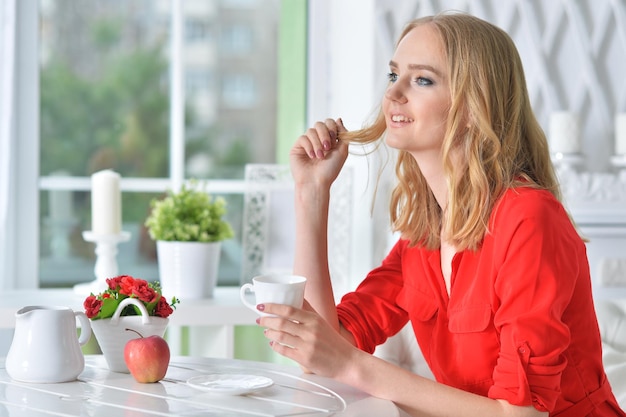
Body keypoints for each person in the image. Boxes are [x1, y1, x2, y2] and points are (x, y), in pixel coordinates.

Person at [255, 12, 626, 417]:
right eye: (393, 75)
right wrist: (311, 192)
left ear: (474, 104)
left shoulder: (529, 218)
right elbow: (324, 350)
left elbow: (518, 413)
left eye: (422, 79)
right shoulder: (424, 238)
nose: (393, 94)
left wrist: (350, 364)